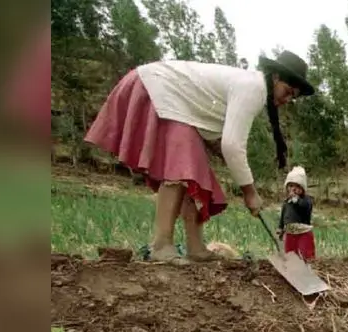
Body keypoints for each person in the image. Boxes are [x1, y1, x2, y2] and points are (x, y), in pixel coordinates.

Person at [85, 50, 315, 262]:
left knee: (194, 173)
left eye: (293, 97)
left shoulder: (251, 86)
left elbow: (218, 137)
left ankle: (195, 248)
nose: (287, 99)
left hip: (178, 104)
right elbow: (233, 146)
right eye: (288, 92)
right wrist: (250, 193)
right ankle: (161, 245)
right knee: (179, 169)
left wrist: (229, 159)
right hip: (160, 89)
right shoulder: (253, 88)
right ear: (275, 77)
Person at [277, 166, 316, 261]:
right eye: (291, 186)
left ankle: (307, 267)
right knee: (290, 253)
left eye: (297, 186)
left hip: (303, 231)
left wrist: (296, 199)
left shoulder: (306, 200)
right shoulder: (287, 202)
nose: (293, 189)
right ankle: (292, 268)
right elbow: (283, 215)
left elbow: (305, 207)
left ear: (303, 188)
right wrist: (281, 228)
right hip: (290, 231)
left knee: (305, 253)